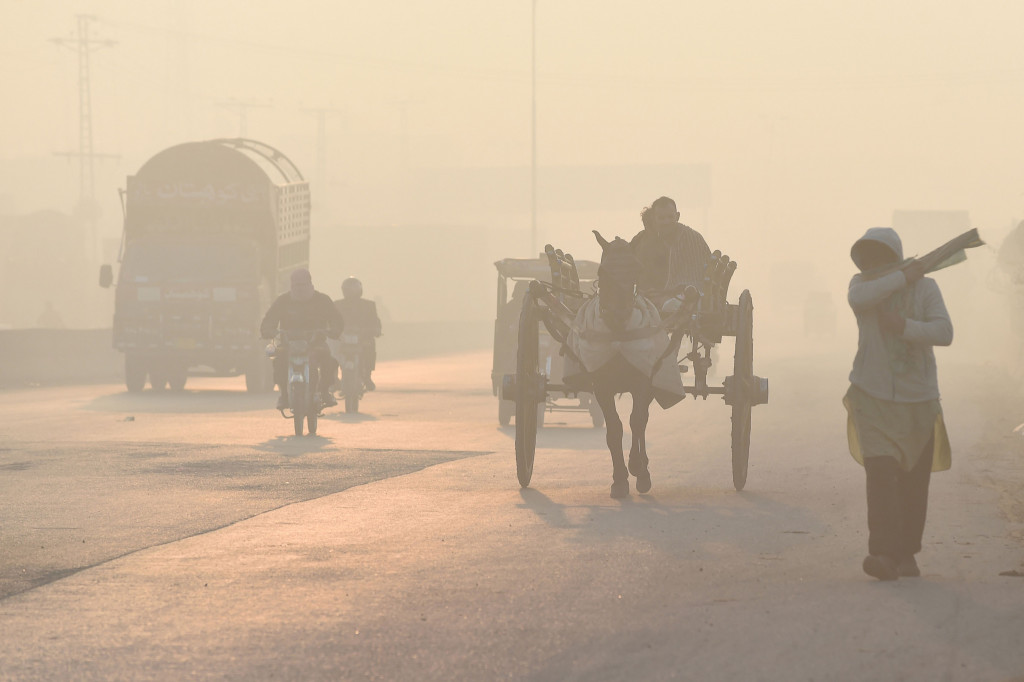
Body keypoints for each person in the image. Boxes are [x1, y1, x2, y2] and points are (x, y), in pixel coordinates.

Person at [844, 227, 953, 581]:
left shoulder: (926, 289)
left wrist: (904, 326)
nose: (874, 263)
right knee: (880, 479)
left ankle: (907, 555)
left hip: (918, 402)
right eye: (869, 257)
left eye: (882, 257)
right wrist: (901, 276)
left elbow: (944, 332)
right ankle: (884, 555)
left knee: (913, 483)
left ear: (896, 257)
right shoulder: (861, 287)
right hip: (872, 399)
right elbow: (860, 301)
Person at [260, 268, 343, 410]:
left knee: (329, 361)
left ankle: (324, 392)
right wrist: (268, 330)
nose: (300, 288)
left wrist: (334, 330)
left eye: (303, 285)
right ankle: (284, 395)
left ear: (310, 284)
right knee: (279, 361)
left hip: (315, 343)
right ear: (291, 286)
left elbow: (336, 319)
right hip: (288, 344)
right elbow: (270, 319)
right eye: (296, 285)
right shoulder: (283, 300)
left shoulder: (322, 300)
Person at [629, 196, 712, 313]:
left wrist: (665, 292)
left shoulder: (691, 238)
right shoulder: (641, 239)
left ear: (677, 216)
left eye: (670, 217)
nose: (666, 222)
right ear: (654, 219)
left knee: (671, 305)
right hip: (649, 295)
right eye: (661, 218)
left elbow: (695, 277)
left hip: (685, 294)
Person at [333, 277, 382, 391]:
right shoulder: (337, 305)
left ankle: (367, 376)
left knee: (369, 347)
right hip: (343, 338)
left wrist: (376, 329)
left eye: (352, 290)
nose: (350, 293)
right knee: (331, 352)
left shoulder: (369, 305)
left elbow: (375, 320)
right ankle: (333, 377)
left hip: (362, 337)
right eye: (348, 290)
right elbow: (331, 320)